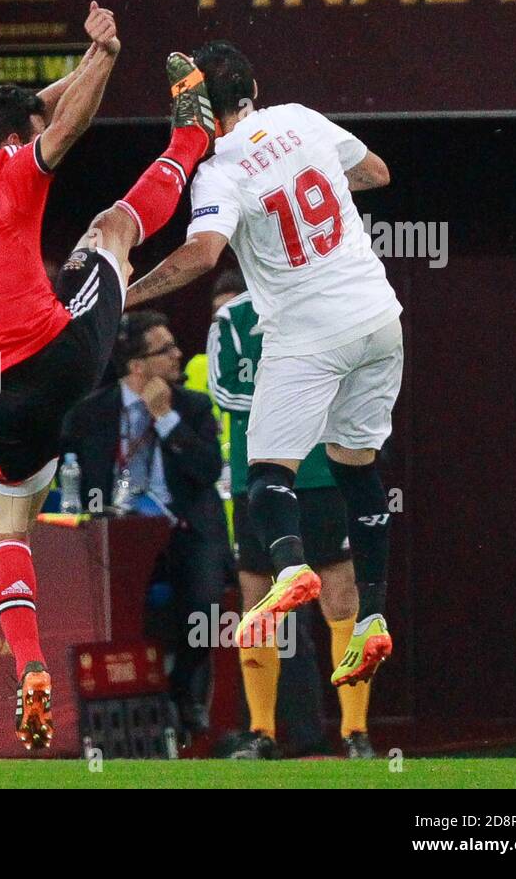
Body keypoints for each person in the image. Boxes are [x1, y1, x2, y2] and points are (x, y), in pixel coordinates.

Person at [0, 1, 217, 749]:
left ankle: (29, 665)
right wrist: (106, 56)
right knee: (110, 227)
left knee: (9, 524)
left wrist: (73, 73)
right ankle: (192, 139)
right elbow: (63, 127)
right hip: (58, 354)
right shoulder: (16, 170)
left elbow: (28, 115)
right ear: (15, 141)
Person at [125, 40, 400, 688]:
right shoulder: (302, 117)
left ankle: (288, 567)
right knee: (356, 467)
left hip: (309, 329)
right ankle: (373, 618)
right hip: (379, 316)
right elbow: (377, 173)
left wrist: (122, 296)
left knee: (265, 470)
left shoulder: (220, 168)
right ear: (254, 87)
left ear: (197, 109)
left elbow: (200, 256)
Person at [210, 272, 375, 759]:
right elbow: (226, 392)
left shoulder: (330, 304)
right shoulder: (232, 319)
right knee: (259, 598)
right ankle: (262, 731)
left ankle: (355, 732)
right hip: (256, 477)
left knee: (341, 595)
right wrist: (299, 396)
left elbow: (356, 381)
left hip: (323, 473)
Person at [61, 312, 229, 734]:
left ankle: (182, 691)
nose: (179, 355)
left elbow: (208, 470)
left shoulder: (192, 407)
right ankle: (113, 702)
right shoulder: (90, 413)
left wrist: (166, 420)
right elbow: (66, 471)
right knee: (105, 598)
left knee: (205, 604)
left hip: (183, 530)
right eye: (165, 350)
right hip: (115, 533)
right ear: (137, 365)